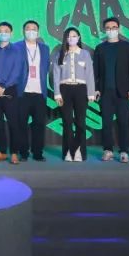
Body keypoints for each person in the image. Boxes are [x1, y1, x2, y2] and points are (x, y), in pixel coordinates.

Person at [52, 27, 96, 162]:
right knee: (67, 122)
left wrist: (91, 93)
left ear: (79, 38)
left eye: (74, 36)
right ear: (65, 38)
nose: (71, 38)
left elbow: (90, 74)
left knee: (80, 122)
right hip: (64, 90)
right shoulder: (59, 54)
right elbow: (56, 75)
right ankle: (68, 152)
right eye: (69, 36)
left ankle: (78, 151)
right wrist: (57, 94)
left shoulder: (85, 54)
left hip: (81, 90)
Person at [92, 17, 129, 163]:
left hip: (123, 92)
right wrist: (96, 89)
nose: (111, 30)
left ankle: (124, 151)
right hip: (105, 92)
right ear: (104, 30)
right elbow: (95, 71)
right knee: (106, 123)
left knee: (123, 123)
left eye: (114, 27)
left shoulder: (127, 47)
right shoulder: (100, 48)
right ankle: (108, 150)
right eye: (108, 28)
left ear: (118, 29)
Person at [0, 21, 24, 165]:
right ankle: (2, 151)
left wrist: (3, 86)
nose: (3, 33)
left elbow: (17, 72)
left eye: (6, 31)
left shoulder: (17, 51)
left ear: (11, 33)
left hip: (10, 90)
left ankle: (14, 152)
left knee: (13, 122)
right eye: (0, 31)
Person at [14, 20, 50, 162]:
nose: (31, 31)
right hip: (22, 92)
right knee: (21, 123)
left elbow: (46, 68)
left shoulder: (44, 48)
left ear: (38, 32)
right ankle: (23, 152)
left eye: (34, 29)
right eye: (28, 29)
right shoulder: (16, 47)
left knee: (39, 124)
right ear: (23, 31)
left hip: (40, 92)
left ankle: (37, 152)